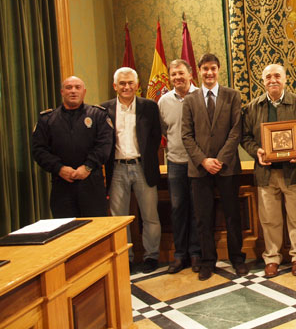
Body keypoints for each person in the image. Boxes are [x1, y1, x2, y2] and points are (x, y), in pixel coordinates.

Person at [241, 64, 296, 278]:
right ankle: (272, 258)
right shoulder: (253, 107)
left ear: (285, 79)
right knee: (269, 219)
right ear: (262, 81)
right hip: (266, 173)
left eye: (277, 76)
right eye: (268, 77)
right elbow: (245, 137)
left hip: (294, 171)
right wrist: (258, 152)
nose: (273, 80)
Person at [181, 53, 247, 280]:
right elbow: (186, 135)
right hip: (199, 170)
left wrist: (219, 159)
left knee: (232, 216)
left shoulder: (233, 96)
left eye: (213, 69)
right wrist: (204, 160)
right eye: (205, 69)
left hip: (227, 167)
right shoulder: (190, 100)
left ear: (219, 70)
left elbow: (236, 131)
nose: (209, 73)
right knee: (203, 217)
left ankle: (237, 258)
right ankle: (208, 261)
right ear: (198, 71)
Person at [103, 68, 162, 274]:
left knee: (150, 216)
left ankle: (151, 256)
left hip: (143, 167)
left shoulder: (149, 107)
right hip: (117, 169)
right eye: (122, 83)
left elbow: (156, 136)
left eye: (130, 83)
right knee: (119, 218)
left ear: (137, 85)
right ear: (115, 86)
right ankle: (124, 258)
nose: (126, 87)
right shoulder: (105, 109)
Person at [32, 76, 113, 217]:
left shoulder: (98, 115)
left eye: (77, 87)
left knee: (96, 230)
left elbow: (104, 145)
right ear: (62, 92)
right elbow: (39, 150)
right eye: (69, 88)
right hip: (61, 184)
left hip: (91, 182)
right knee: (67, 231)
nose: (73, 91)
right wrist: (59, 168)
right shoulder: (47, 119)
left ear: (84, 92)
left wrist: (87, 167)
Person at [158, 59, 201, 274]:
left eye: (181, 73)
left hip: (197, 163)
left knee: (196, 209)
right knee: (177, 209)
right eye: (173, 74)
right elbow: (165, 130)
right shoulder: (163, 101)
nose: (177, 78)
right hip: (174, 163)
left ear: (190, 74)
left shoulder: (201, 97)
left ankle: (195, 253)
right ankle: (179, 254)